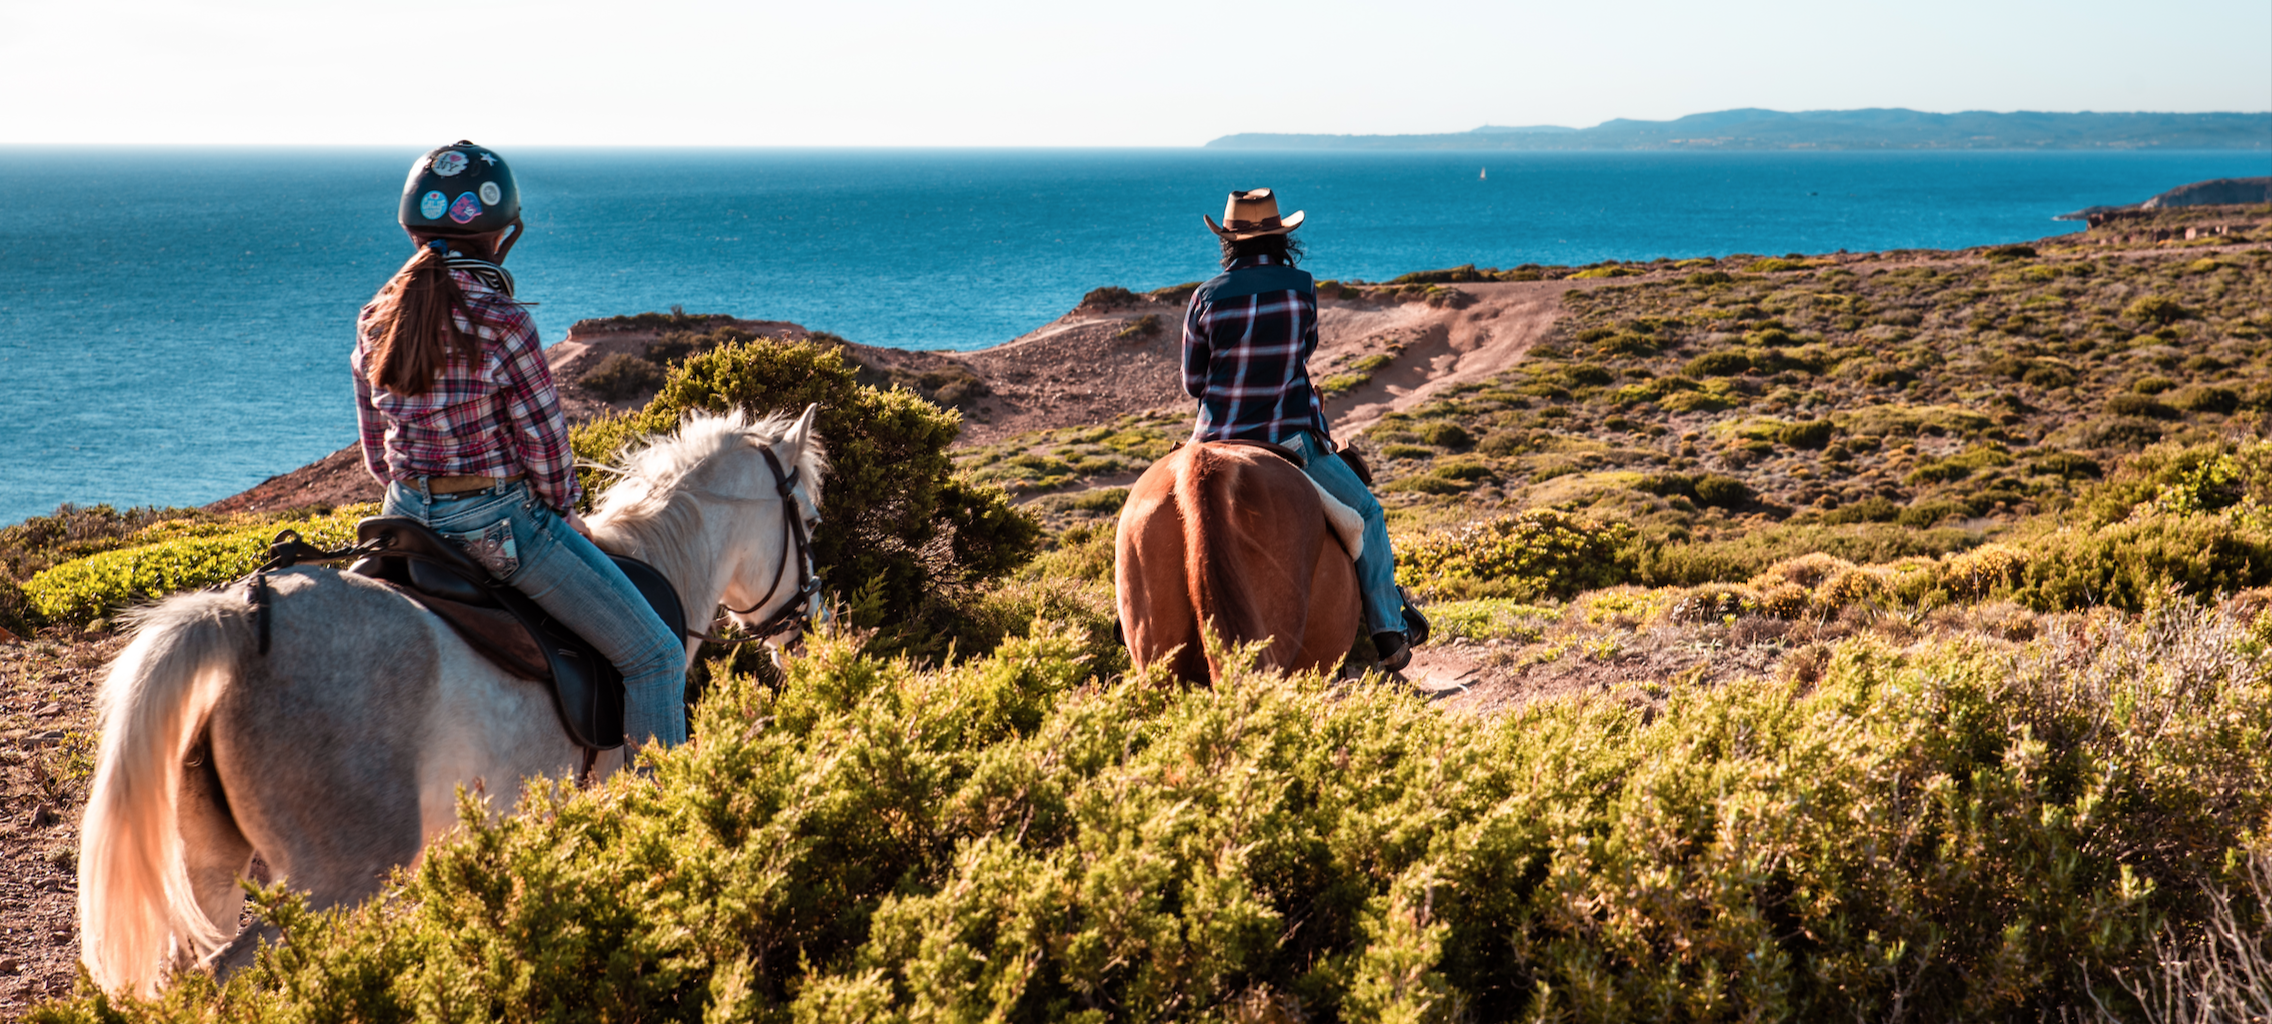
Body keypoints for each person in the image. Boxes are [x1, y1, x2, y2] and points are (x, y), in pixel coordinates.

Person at [352, 141, 688, 753]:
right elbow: (546, 446)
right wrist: (565, 512)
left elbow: (377, 454)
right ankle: (656, 825)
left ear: (411, 228)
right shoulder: (504, 321)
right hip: (496, 527)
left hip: (402, 521)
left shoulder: (375, 317)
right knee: (657, 657)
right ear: (503, 235)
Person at [1181, 188, 1423, 670]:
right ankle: (1388, 631)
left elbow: (1193, 383)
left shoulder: (1204, 298)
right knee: (1368, 516)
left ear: (1228, 241)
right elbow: (1303, 352)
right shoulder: (1301, 288)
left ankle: (1125, 626)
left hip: (1213, 440)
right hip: (1288, 440)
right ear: (1281, 237)